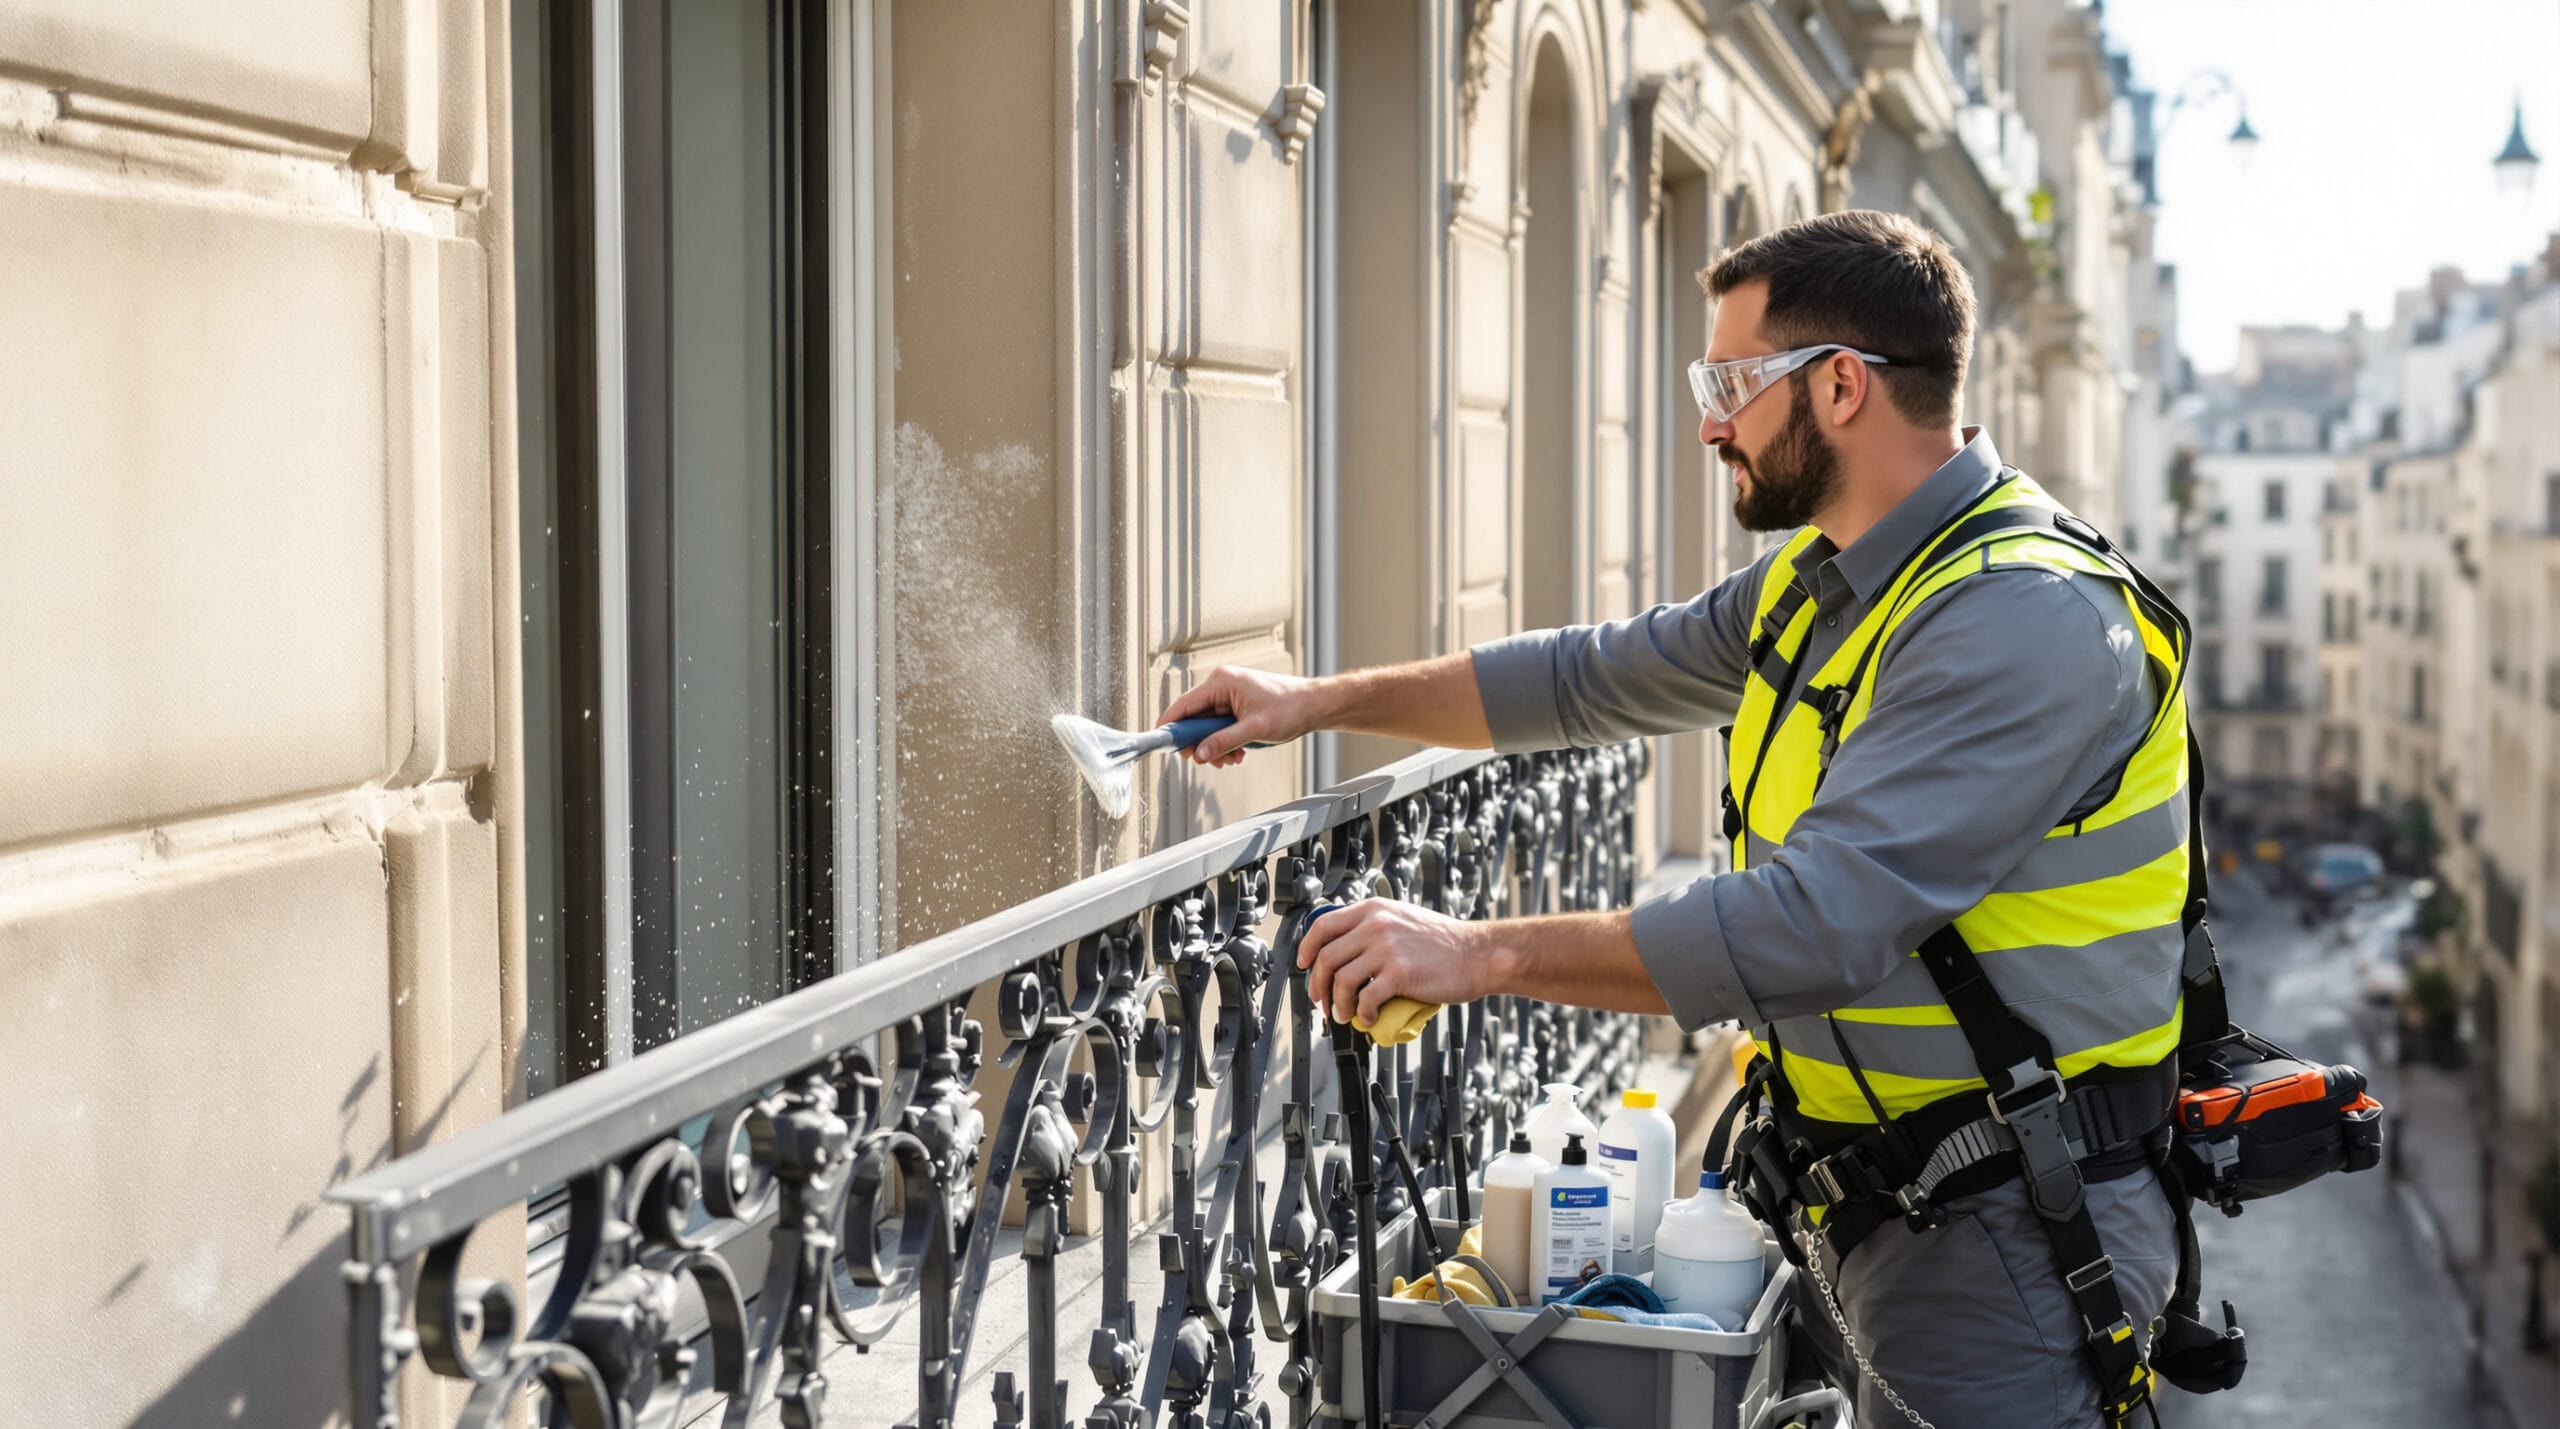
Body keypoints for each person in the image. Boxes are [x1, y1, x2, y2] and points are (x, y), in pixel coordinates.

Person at [1158, 210, 2192, 1428]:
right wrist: (1312, 702)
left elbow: (1811, 926)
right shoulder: (1834, 580)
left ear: (1843, 387)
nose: (1709, 422)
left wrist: (1480, 952)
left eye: (1728, 384)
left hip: (2007, 1233)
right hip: (1889, 1201)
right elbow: (1587, 676)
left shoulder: (2022, 618)